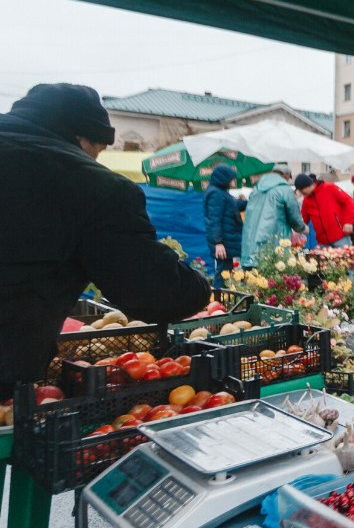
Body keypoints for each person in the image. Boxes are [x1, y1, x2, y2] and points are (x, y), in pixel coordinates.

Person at [0, 82, 211, 397]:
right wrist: (199, 287)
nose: (96, 161)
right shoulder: (93, 186)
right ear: (82, 137)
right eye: (98, 151)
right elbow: (153, 291)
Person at [241, 165, 307, 268]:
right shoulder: (284, 189)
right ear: (285, 176)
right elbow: (294, 217)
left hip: (250, 244)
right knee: (273, 277)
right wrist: (303, 228)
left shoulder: (256, 190)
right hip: (273, 243)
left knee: (254, 279)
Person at [202, 164, 246, 287]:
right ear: (223, 178)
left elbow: (232, 208)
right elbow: (214, 219)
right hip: (224, 242)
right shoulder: (215, 194)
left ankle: (221, 299)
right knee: (222, 271)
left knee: (225, 270)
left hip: (227, 240)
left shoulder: (221, 192)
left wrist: (243, 202)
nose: (233, 181)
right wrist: (218, 243)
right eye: (231, 179)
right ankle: (218, 299)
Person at [295, 172, 354, 247]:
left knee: (345, 258)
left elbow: (349, 202)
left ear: (306, 186)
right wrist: (297, 230)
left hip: (340, 237)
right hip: (322, 242)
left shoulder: (330, 188)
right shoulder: (306, 200)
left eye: (301, 191)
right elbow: (304, 219)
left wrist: (349, 222)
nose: (301, 193)